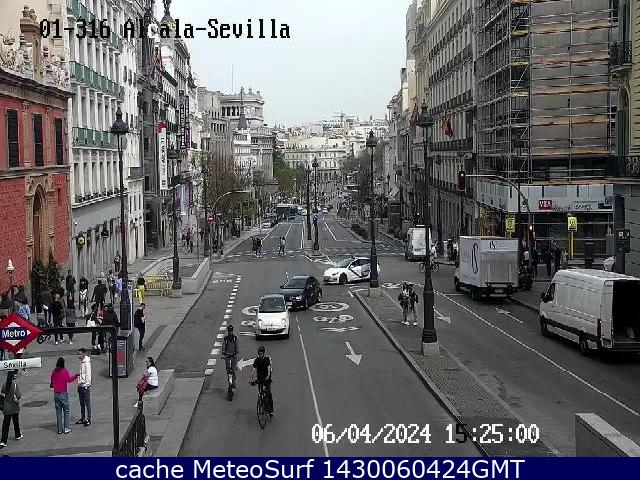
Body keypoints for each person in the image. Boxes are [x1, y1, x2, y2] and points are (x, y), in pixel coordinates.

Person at [50, 357, 78, 434]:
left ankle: (59, 429)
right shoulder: (64, 371)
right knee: (66, 410)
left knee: (58, 412)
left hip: (56, 394)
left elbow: (51, 383)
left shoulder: (54, 371)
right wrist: (76, 376)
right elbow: (69, 380)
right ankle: (66, 428)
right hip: (63, 393)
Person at [0, 370, 22, 448]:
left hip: (6, 408)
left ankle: (3, 441)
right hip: (14, 407)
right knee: (16, 422)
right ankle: (18, 435)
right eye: (14, 375)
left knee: (5, 425)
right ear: (12, 377)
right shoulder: (15, 385)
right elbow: (18, 395)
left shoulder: (4, 385)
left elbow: (2, 394)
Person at [251, 346, 273, 417]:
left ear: (263, 353)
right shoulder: (257, 360)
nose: (260, 355)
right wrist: (252, 379)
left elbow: (268, 369)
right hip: (260, 378)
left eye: (261, 353)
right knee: (260, 392)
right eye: (259, 353)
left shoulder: (266, 360)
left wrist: (268, 376)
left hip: (266, 378)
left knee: (268, 393)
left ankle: (271, 410)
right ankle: (261, 402)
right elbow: (253, 369)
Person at [76, 348, 92, 427]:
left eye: (80, 354)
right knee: (81, 403)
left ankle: (88, 419)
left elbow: (88, 375)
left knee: (87, 403)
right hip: (80, 386)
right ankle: (83, 418)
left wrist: (86, 384)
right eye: (78, 354)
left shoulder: (86, 363)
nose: (78, 356)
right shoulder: (81, 362)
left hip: (85, 387)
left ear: (84, 354)